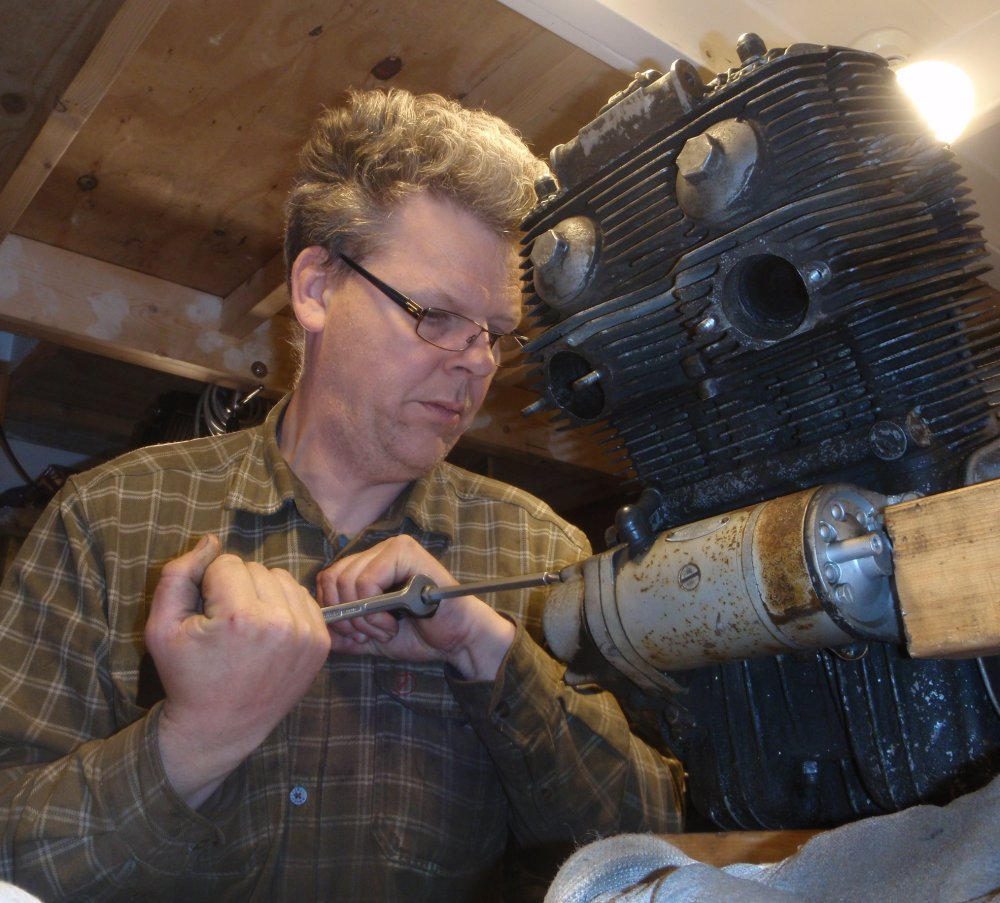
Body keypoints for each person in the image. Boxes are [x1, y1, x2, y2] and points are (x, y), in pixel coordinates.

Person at [0, 89, 683, 901]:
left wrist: (494, 657)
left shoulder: (542, 554)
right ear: (318, 286)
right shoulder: (106, 520)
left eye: (495, 333)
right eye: (437, 314)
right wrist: (196, 739)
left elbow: (658, 844)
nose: (477, 363)